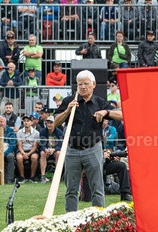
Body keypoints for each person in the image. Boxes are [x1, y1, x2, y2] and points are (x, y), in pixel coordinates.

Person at [53, 69, 123, 212]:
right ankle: (71, 219)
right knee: (71, 190)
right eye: (80, 84)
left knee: (97, 188)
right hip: (72, 150)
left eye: (86, 84)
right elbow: (56, 122)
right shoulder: (69, 101)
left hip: (93, 149)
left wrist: (106, 112)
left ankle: (98, 222)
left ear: (94, 84)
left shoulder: (99, 102)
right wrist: (67, 111)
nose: (83, 87)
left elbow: (122, 115)